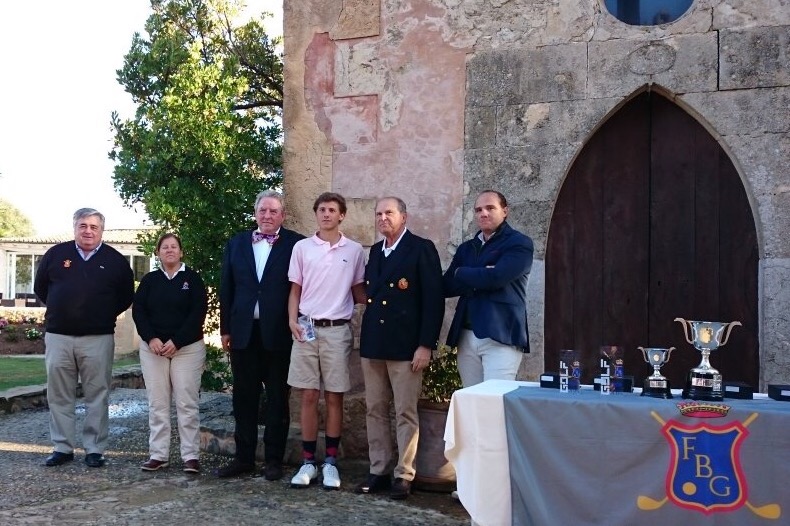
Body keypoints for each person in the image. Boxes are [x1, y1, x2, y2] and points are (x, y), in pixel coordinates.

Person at [354, 197, 444, 500]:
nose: (383, 219)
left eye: (388, 213)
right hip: (375, 344)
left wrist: (425, 346)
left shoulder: (421, 248)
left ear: (403, 216)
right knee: (375, 410)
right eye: (378, 214)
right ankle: (378, 469)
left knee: (405, 412)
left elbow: (433, 301)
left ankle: (404, 474)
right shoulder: (376, 251)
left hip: (407, 347)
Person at [33, 208, 135, 468]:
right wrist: (61, 309)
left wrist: (100, 315)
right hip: (59, 337)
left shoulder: (115, 260)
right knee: (59, 394)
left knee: (97, 394)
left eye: (93, 226)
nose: (88, 230)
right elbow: (41, 288)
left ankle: (94, 450)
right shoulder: (56, 255)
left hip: (97, 338)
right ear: (75, 227)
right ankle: (62, 447)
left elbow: (125, 296)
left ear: (102, 230)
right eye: (83, 225)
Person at [215, 190, 305, 480]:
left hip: (278, 333)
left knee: (278, 399)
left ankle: (274, 461)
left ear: (283, 215)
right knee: (244, 398)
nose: (267, 216)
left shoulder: (297, 244)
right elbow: (226, 288)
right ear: (255, 213)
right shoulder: (236, 243)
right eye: (263, 210)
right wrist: (225, 328)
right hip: (243, 333)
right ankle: (244, 459)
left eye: (273, 211)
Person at [287, 192, 366, 490]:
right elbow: (295, 289)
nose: (326, 214)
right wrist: (291, 320)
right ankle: (308, 461)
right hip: (306, 328)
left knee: (334, 396)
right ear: (316, 213)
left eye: (332, 210)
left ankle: (330, 463)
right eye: (321, 209)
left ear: (342, 215)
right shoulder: (302, 248)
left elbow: (360, 291)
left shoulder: (355, 250)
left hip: (337, 330)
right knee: (307, 396)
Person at [133, 233, 208, 474]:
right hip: (153, 349)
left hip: (187, 349)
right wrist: (151, 338)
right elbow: (139, 312)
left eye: (174, 246)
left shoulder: (193, 280)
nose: (169, 250)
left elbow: (198, 313)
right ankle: (158, 455)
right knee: (158, 403)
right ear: (158, 253)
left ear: (181, 251)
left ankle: (190, 456)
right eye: (164, 247)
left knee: (187, 403)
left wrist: (177, 341)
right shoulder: (150, 281)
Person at [443, 190, 534, 387]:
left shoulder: (519, 243)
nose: (483, 213)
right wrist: (480, 273)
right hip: (466, 335)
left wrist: (461, 272)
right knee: (472, 400)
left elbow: (496, 278)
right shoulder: (466, 248)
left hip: (501, 333)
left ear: (505, 211)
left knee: (494, 400)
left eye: (490, 208)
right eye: (478, 210)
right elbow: (448, 286)